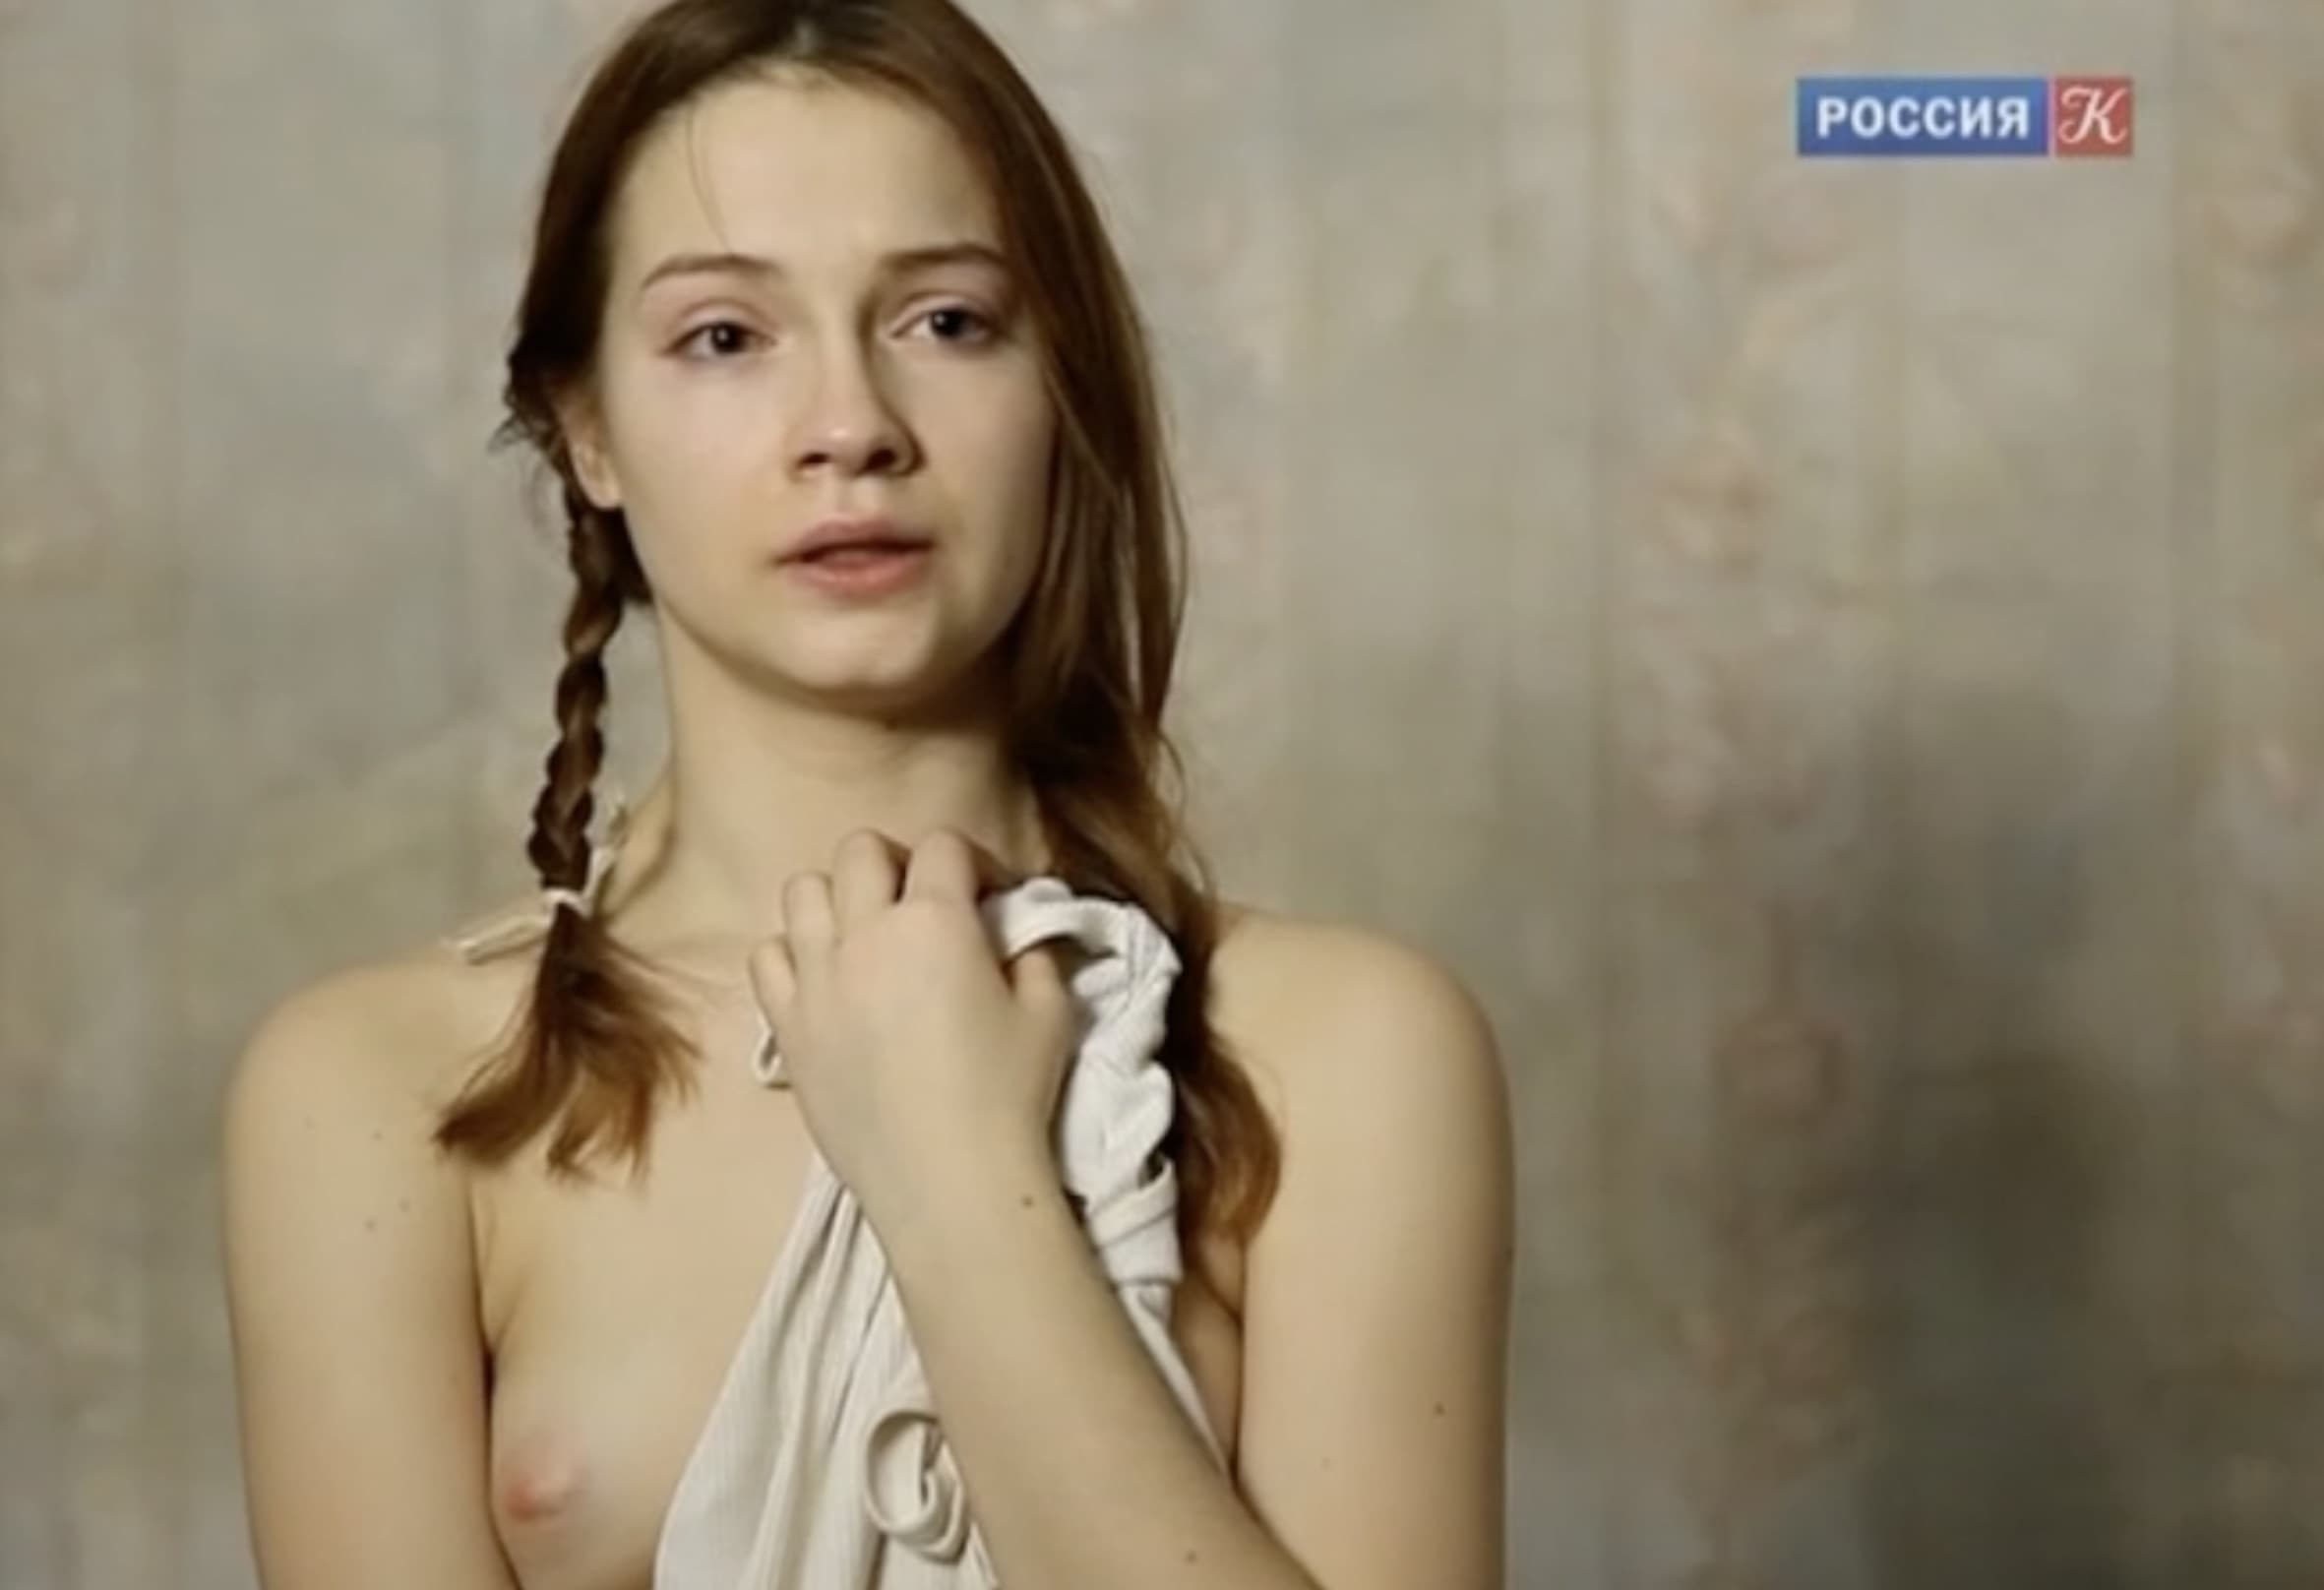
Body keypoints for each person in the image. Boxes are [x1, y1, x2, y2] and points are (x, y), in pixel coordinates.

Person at [219, 2, 1514, 1587]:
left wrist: (954, 1172)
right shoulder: (380, 1091)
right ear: (587, 432)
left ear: (1063, 388)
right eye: (724, 337)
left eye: (947, 322)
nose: (850, 429)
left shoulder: (1340, 1053)